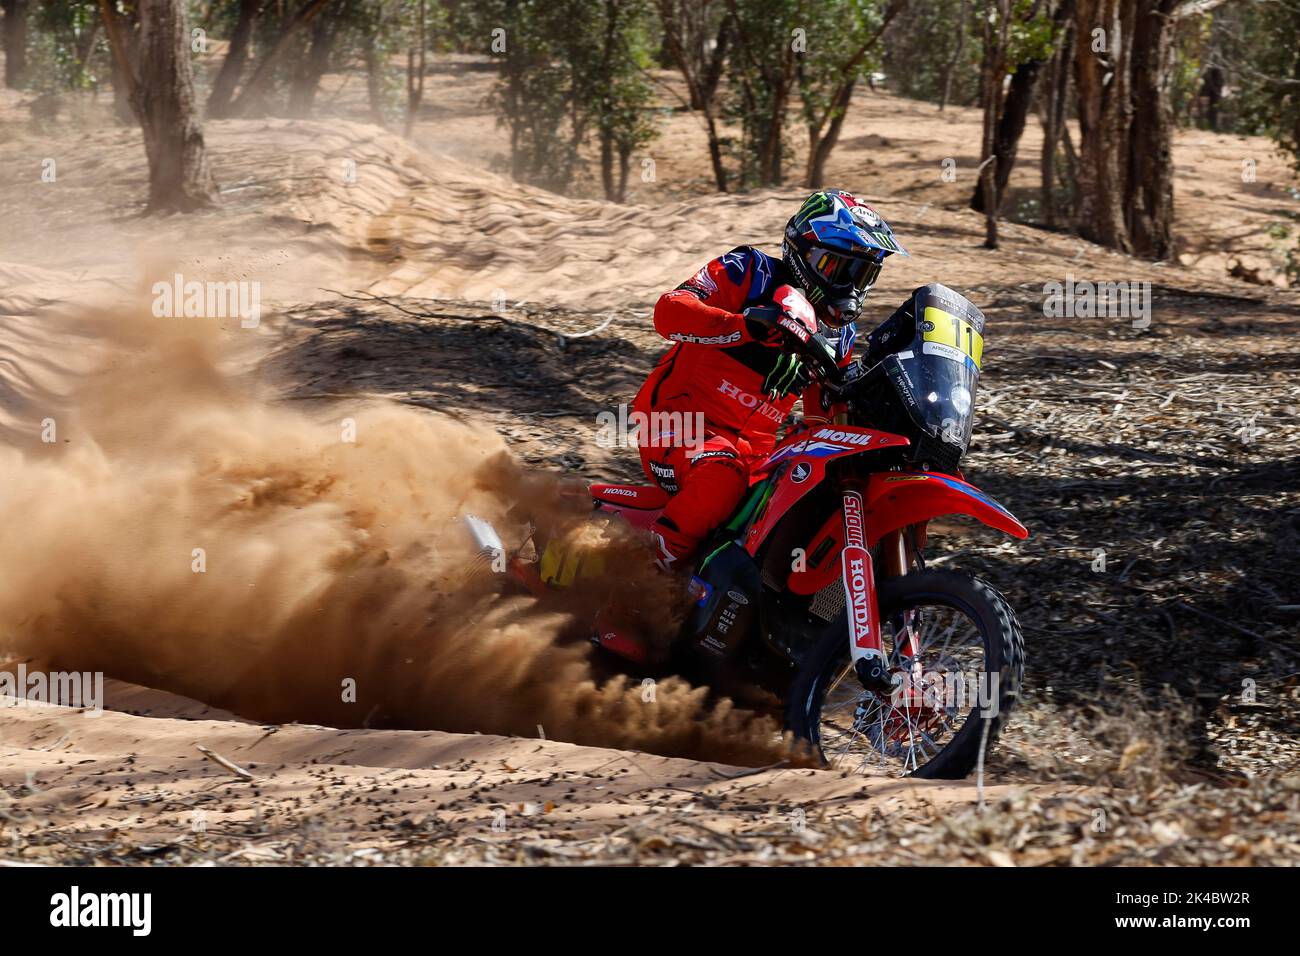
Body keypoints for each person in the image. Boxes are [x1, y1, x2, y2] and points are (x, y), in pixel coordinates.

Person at [633, 189, 907, 571]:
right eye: (839, 268)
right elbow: (668, 313)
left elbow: (821, 420)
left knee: (806, 497)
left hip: (755, 454)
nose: (849, 287)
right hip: (677, 424)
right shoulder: (750, 271)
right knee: (721, 477)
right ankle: (640, 575)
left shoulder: (840, 337)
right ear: (802, 253)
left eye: (862, 274)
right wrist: (745, 326)